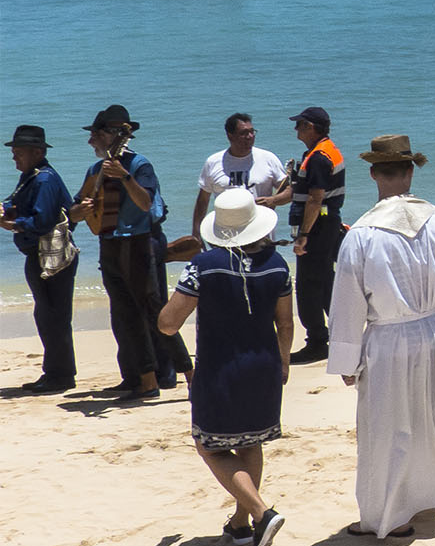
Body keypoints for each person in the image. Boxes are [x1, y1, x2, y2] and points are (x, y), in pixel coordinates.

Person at [327, 135, 435, 537]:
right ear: (410, 172)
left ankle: (389, 516)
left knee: (388, 425)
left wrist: (345, 359)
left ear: (373, 174)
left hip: (388, 338)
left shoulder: (361, 233)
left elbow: (348, 303)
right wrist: (431, 298)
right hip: (434, 327)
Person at [156, 188, 293, 546]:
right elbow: (285, 322)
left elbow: (169, 324)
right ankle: (241, 525)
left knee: (209, 445)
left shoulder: (204, 265)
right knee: (250, 441)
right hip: (263, 363)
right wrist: (283, 361)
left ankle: (262, 513)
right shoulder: (277, 264)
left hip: (220, 368)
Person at [71, 105, 185, 399]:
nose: (90, 141)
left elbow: (146, 203)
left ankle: (186, 373)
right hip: (109, 244)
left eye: (95, 135)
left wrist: (124, 177)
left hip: (139, 242)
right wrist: (80, 211)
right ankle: (142, 379)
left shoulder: (139, 165)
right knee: (124, 314)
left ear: (113, 136)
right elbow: (74, 209)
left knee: (154, 311)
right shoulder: (95, 170)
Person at [3, 126, 77, 393]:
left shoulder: (44, 179)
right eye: (13, 153)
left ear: (37, 152)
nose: (14, 158)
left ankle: (61, 375)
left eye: (18, 153)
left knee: (53, 315)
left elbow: (42, 221)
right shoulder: (32, 177)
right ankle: (56, 372)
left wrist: (10, 224)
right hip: (41, 255)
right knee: (47, 314)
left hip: (49, 256)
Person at [283, 107, 345, 366]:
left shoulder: (319, 157)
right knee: (326, 281)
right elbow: (305, 192)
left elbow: (315, 198)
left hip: (318, 227)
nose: (296, 129)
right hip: (327, 224)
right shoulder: (323, 151)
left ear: (310, 127)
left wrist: (303, 235)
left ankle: (318, 342)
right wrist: (274, 200)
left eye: (299, 125)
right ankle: (340, 336)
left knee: (309, 286)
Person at [191, 113, 287, 249]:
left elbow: (289, 190)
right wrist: (196, 233)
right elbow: (203, 200)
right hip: (224, 236)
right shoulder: (213, 162)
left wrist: (274, 200)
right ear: (230, 136)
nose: (250, 137)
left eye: (252, 132)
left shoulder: (268, 158)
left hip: (260, 233)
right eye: (244, 133)